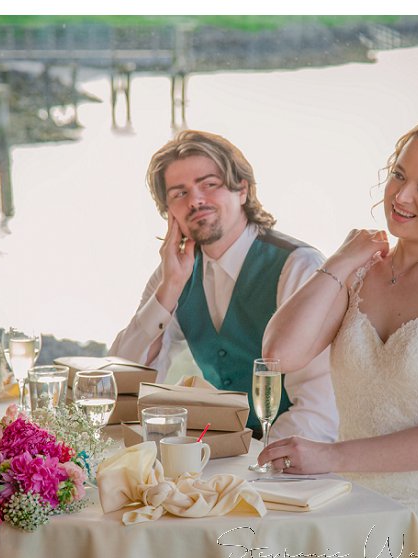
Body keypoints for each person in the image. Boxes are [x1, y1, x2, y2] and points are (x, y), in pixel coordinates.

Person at [259, 104, 418, 558]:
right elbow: (279, 353)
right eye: (399, 175)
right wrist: (339, 261)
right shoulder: (359, 271)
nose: (401, 196)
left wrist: (330, 456)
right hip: (355, 515)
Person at [111, 130, 338, 442]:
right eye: (179, 193)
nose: (196, 200)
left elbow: (320, 408)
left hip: (293, 459)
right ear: (169, 214)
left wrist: (260, 463)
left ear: (241, 189)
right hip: (227, 452)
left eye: (209, 184)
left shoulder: (299, 268)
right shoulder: (173, 274)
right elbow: (122, 384)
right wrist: (168, 290)